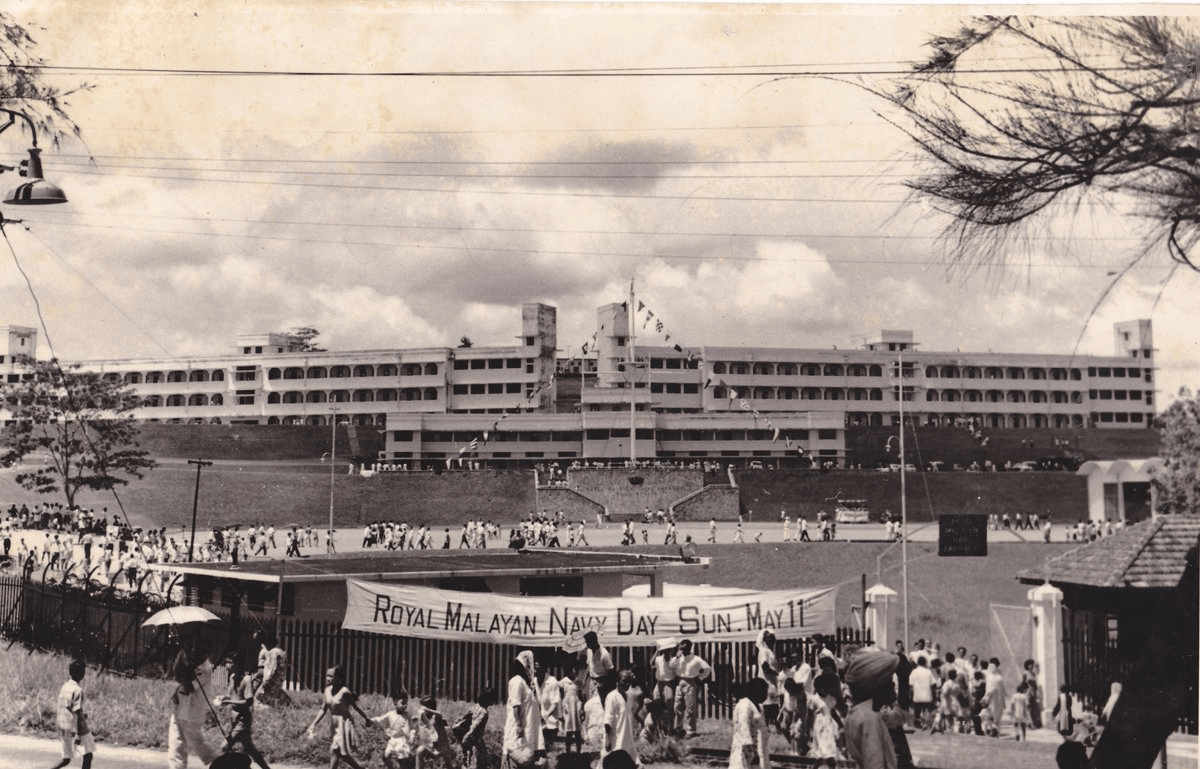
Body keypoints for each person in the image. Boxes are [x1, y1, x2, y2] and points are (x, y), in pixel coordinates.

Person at [169, 637, 221, 769]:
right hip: (180, 707)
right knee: (176, 742)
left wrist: (186, 669)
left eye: (202, 651)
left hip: (192, 713)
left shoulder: (205, 669)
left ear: (208, 652)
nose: (197, 653)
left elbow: (188, 687)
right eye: (196, 649)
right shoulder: (192, 664)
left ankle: (221, 764)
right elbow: (177, 678)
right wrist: (181, 661)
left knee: (198, 743)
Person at [842, 649, 900, 769]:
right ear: (877, 687)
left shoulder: (857, 714)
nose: (893, 687)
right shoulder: (870, 720)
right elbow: (875, 763)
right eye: (889, 682)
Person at [307, 665, 372, 769]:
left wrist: (366, 718)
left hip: (344, 723)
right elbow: (323, 709)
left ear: (338, 678)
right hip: (334, 724)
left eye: (331, 676)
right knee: (342, 753)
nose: (327, 678)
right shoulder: (327, 690)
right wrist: (313, 724)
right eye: (327, 675)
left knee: (334, 750)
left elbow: (356, 707)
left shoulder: (344, 691)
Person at [218, 652, 272, 769]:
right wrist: (223, 698)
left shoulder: (247, 680)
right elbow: (230, 695)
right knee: (249, 749)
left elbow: (249, 701)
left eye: (229, 663)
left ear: (238, 664)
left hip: (243, 720)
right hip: (233, 719)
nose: (227, 666)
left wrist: (230, 702)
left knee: (225, 747)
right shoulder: (232, 678)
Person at [52, 659, 94, 769]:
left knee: (66, 759)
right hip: (75, 727)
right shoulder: (77, 690)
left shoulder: (65, 686)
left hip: (62, 726)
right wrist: (78, 734)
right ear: (82, 674)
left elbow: (67, 707)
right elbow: (77, 711)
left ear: (70, 672)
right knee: (88, 755)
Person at [503, 651, 543, 766]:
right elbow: (515, 706)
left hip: (527, 731)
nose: (533, 670)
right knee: (516, 759)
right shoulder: (517, 681)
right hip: (518, 732)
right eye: (530, 666)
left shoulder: (527, 684)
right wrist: (519, 726)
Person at [671, 638, 712, 737]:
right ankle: (678, 728)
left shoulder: (696, 659)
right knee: (677, 707)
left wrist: (700, 677)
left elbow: (707, 668)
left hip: (690, 682)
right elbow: (671, 666)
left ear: (690, 648)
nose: (683, 650)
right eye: (682, 648)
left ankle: (690, 730)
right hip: (679, 682)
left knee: (690, 707)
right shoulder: (678, 659)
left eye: (685, 648)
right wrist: (676, 657)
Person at [729, 678, 771, 769]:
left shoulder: (759, 706)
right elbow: (744, 729)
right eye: (764, 692)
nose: (766, 696)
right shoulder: (745, 705)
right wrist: (752, 752)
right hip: (748, 751)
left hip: (760, 749)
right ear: (756, 691)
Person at [370, 693, 417, 769]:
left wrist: (412, 735)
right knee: (386, 755)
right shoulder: (390, 714)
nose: (405, 706)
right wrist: (371, 721)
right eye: (403, 703)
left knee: (402, 759)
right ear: (395, 702)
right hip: (393, 740)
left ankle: (403, 766)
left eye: (406, 704)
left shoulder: (407, 715)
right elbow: (380, 719)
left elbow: (412, 727)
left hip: (403, 740)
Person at [602, 670, 638, 765]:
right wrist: (607, 740)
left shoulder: (628, 697)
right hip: (615, 739)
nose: (627, 684)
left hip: (626, 737)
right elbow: (607, 721)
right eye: (624, 681)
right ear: (617, 681)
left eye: (629, 682)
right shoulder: (612, 697)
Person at [457, 687, 496, 769]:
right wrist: (466, 736)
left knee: (468, 762)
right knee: (478, 763)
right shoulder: (484, 712)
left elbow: (462, 718)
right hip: (476, 741)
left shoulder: (475, 707)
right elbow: (475, 726)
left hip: (470, 739)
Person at [755, 630, 781, 730]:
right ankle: (765, 727)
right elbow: (765, 666)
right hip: (766, 682)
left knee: (773, 705)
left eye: (773, 638)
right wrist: (777, 673)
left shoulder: (769, 651)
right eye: (769, 638)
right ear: (764, 640)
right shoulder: (763, 651)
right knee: (767, 705)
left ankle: (776, 726)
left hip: (772, 682)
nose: (772, 640)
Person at [558, 661, 584, 753]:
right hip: (568, 708)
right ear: (569, 671)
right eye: (574, 669)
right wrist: (561, 710)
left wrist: (582, 709)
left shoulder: (578, 682)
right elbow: (560, 697)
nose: (576, 671)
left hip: (577, 708)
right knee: (568, 730)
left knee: (577, 731)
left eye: (577, 670)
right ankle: (568, 751)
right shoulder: (563, 682)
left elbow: (581, 696)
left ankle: (578, 751)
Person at [582, 631, 614, 701]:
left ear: (594, 641)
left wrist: (604, 684)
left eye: (588, 643)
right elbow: (589, 665)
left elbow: (611, 671)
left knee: (601, 703)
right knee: (592, 702)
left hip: (602, 682)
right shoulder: (589, 651)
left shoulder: (604, 654)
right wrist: (585, 679)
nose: (587, 645)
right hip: (592, 682)